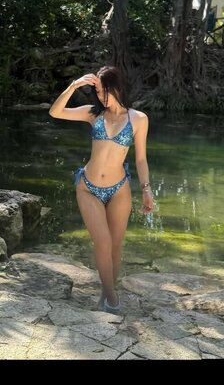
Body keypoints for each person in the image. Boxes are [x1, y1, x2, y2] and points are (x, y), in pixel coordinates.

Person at [49, 65, 153, 313]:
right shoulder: (93, 114)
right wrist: (74, 85)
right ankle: (113, 299)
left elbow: (140, 159)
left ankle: (104, 297)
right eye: (97, 92)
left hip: (119, 189)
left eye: (105, 91)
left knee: (115, 246)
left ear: (117, 87)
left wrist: (146, 189)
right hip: (88, 187)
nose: (101, 97)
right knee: (103, 241)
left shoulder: (138, 119)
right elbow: (55, 112)